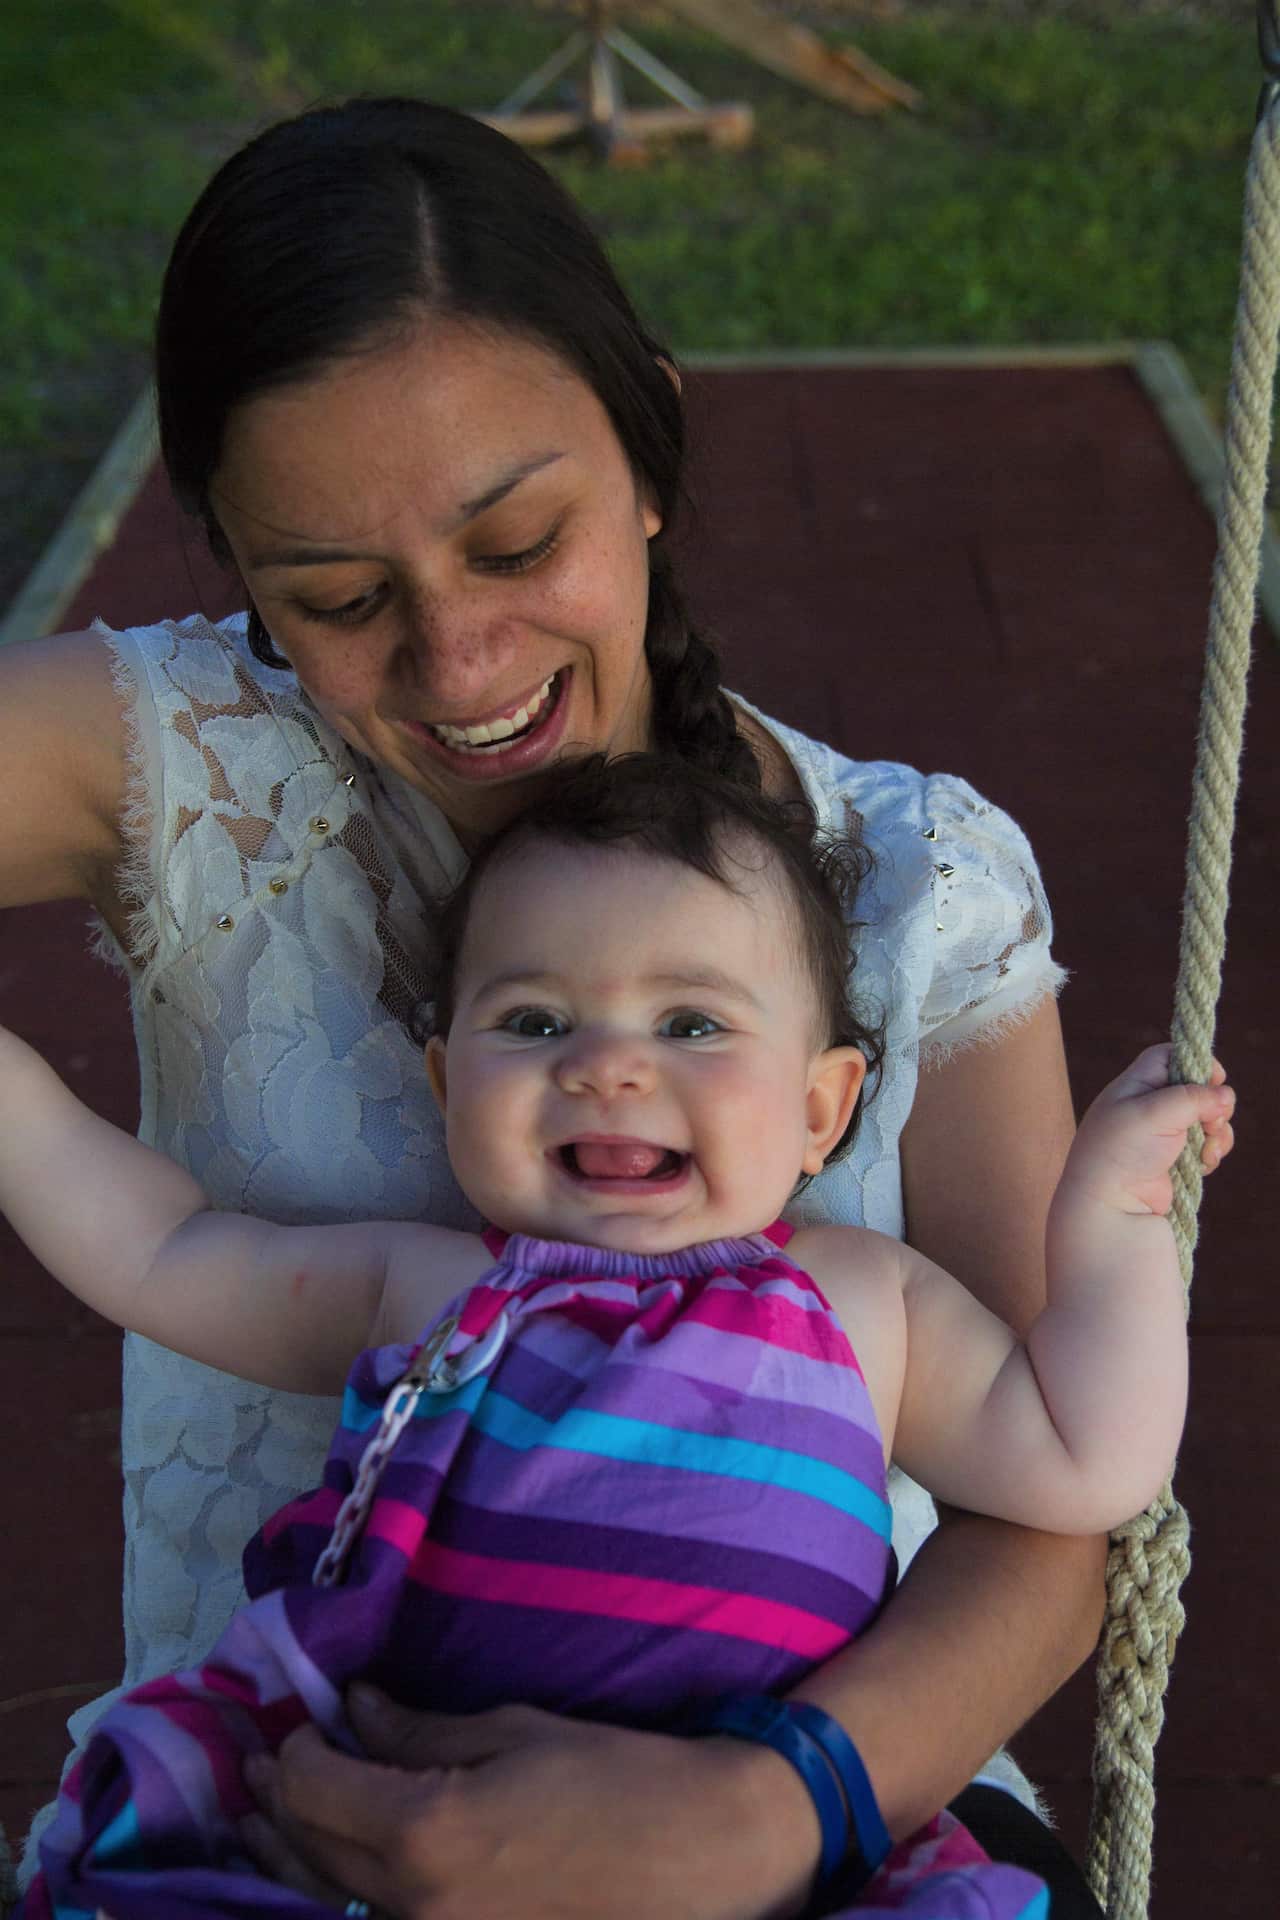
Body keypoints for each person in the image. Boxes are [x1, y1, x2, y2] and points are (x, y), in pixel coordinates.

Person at [0, 94, 1228, 1919]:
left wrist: (754, 1816)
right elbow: (168, 1248)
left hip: (832, 1783)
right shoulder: (195, 753)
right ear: (244, 574)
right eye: (334, 596)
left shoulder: (920, 883)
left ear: (648, 444)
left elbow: (1051, 1516)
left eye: (516, 545)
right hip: (310, 1794)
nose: (459, 665)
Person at [2, 754, 1233, 1920]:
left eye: (690, 1024)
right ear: (446, 1087)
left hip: (768, 1865)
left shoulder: (863, 1302)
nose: (604, 1066)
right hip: (388, 1820)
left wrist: (1110, 1219)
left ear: (820, 1109)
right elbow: (156, 1251)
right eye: (534, 1022)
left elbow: (1089, 1459)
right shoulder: (420, 1290)